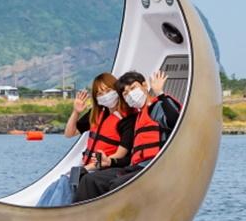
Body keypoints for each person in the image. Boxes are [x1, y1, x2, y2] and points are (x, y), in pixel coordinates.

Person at [72, 69, 181, 203]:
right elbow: (130, 156)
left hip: (153, 167)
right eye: (125, 92)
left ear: (144, 85)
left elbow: (176, 121)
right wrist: (109, 162)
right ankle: (81, 215)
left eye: (133, 88)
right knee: (88, 180)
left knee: (117, 185)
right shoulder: (139, 117)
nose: (130, 94)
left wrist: (160, 92)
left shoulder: (157, 106)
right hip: (134, 167)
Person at [36, 73, 133, 207]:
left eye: (108, 90)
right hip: (87, 165)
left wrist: (89, 167)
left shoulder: (127, 119)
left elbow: (120, 154)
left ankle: (55, 217)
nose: (104, 95)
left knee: (67, 182)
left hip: (104, 167)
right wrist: (76, 112)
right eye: (99, 93)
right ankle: (41, 212)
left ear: (116, 90)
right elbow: (69, 133)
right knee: (58, 183)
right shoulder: (98, 113)